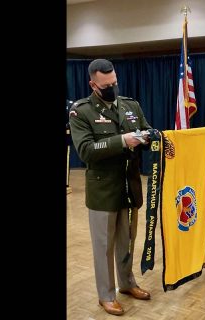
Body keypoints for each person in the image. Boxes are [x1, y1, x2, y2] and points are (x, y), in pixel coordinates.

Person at [68, 59, 152, 316]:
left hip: (130, 186)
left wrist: (149, 136)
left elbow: (146, 130)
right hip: (103, 191)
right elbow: (86, 151)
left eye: (114, 82)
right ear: (93, 84)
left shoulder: (130, 105)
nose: (112, 88)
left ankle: (127, 284)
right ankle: (106, 295)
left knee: (126, 242)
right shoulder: (81, 112)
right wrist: (123, 141)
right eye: (106, 85)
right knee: (104, 246)